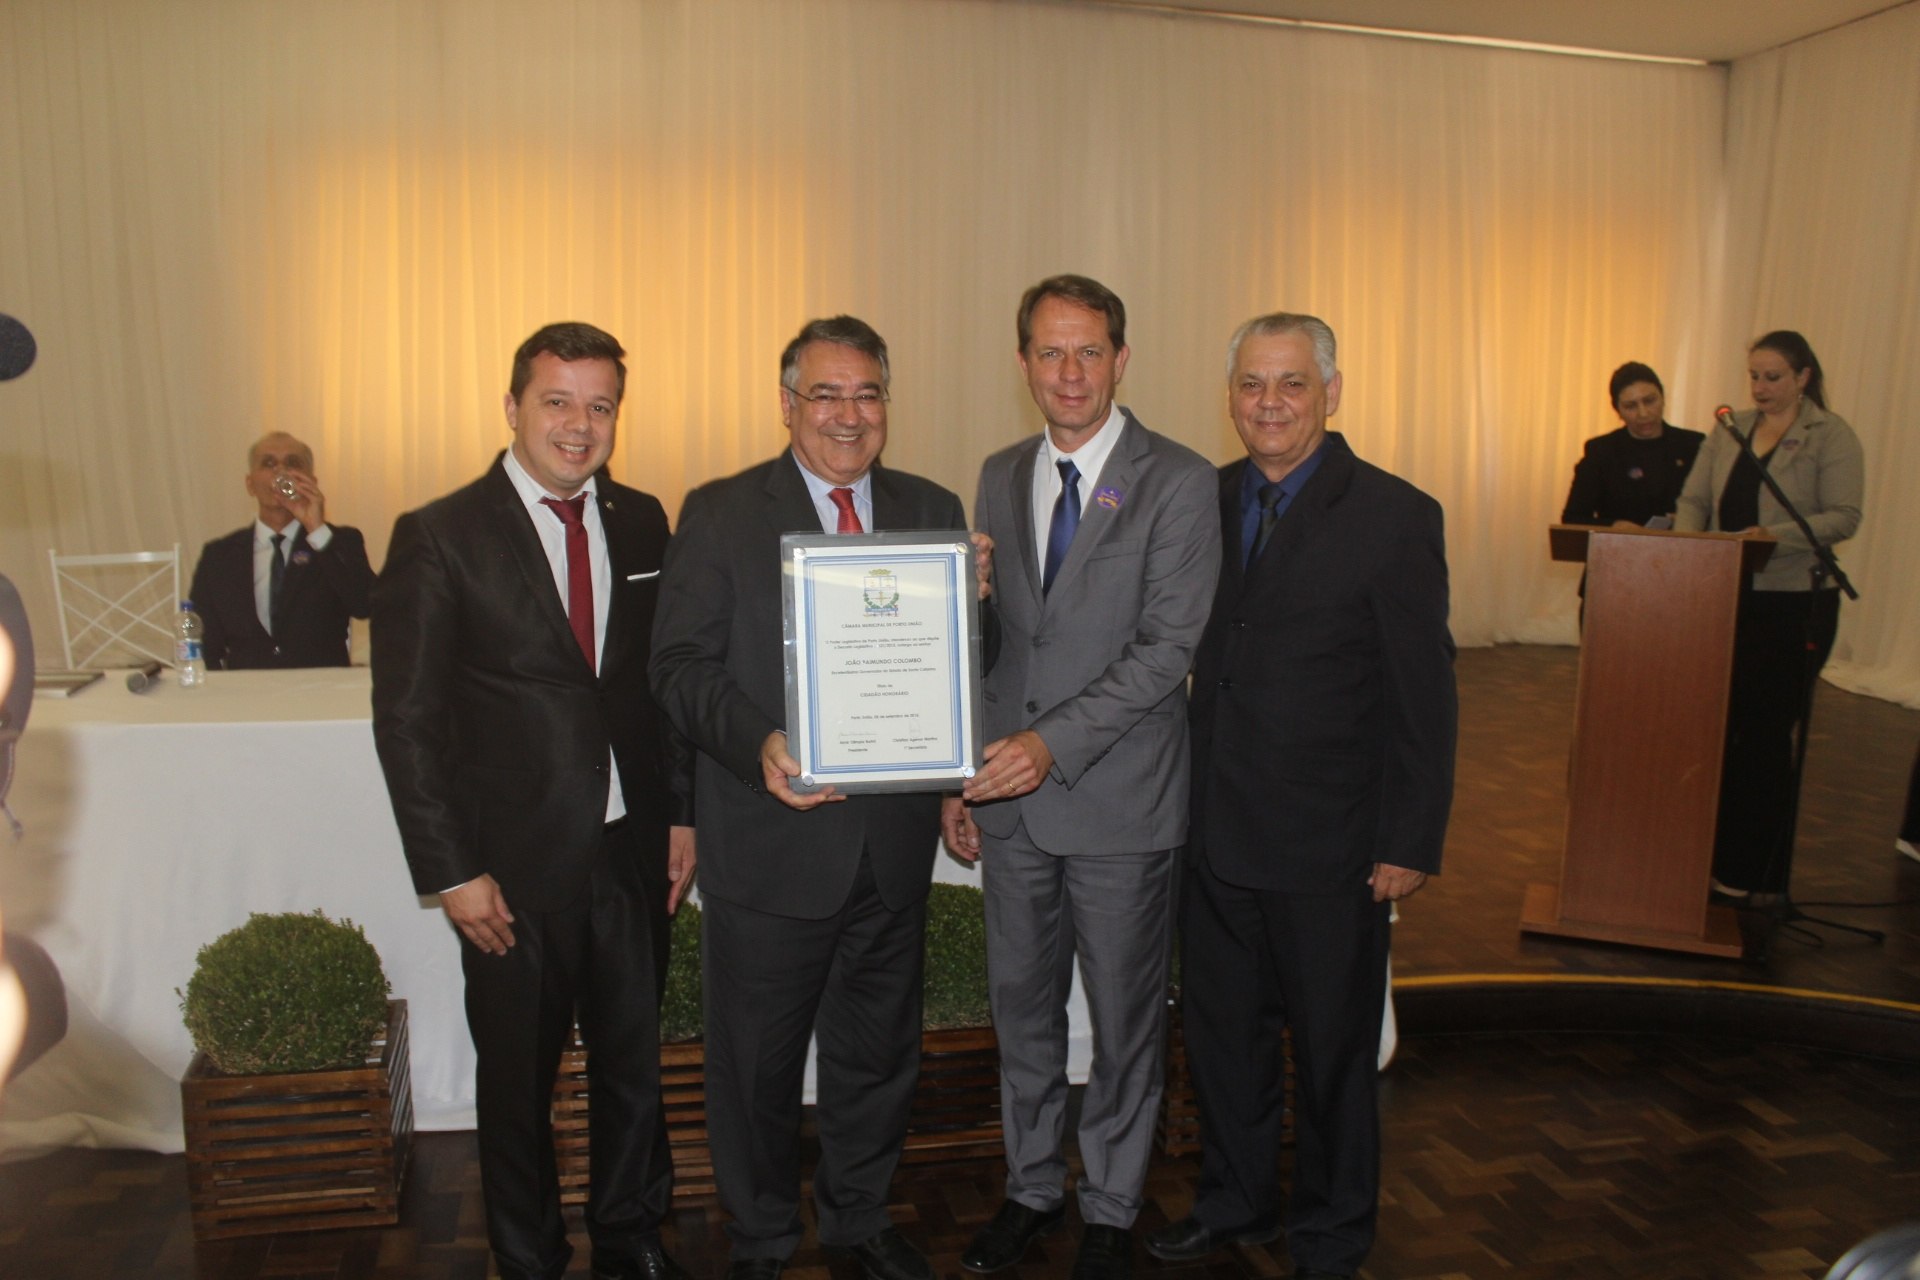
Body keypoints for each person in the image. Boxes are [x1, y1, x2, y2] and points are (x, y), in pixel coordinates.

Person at [650, 316, 986, 1280]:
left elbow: (960, 672)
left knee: (878, 1058)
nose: (848, 415)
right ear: (787, 404)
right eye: (826, 395)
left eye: (867, 394)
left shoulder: (932, 508)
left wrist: (982, 606)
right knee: (753, 1067)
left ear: (887, 403)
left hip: (889, 849)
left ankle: (858, 1218)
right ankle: (759, 1236)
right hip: (769, 847)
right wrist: (758, 740)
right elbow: (675, 666)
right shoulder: (719, 512)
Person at [371, 322, 696, 1280]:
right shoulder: (439, 535)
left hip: (632, 851)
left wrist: (680, 811)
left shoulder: (642, 521)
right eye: (557, 401)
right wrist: (451, 871)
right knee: (519, 1081)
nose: (578, 425)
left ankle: (632, 1239)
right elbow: (409, 724)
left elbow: (655, 686)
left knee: (632, 1068)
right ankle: (528, 1254)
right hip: (507, 868)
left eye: (600, 406)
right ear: (512, 405)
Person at [1146, 313, 1456, 1280]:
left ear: (1331, 391)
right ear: (1229, 393)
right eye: (1250, 385)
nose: (1267, 403)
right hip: (1215, 833)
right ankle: (1237, 1202)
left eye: (1288, 384)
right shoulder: (1203, 497)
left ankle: (1331, 1228)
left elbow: (1424, 693)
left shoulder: (1398, 516)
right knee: (1225, 1041)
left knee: (1330, 1054)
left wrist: (1409, 837)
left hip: (1332, 846)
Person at [943, 275, 1220, 1280]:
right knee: (1021, 1010)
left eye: (1089, 352)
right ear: (1022, 363)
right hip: (1009, 807)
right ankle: (1030, 1186)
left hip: (1120, 804)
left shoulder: (1179, 480)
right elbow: (988, 646)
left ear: (1122, 358)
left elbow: (1163, 651)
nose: (1069, 372)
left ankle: (1109, 1201)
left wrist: (1049, 745)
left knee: (1123, 1018)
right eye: (1049, 353)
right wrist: (954, 770)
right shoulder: (997, 471)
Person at [1673, 330, 1865, 898]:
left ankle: (1750, 870)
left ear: (1804, 377)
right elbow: (1694, 500)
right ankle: (1708, 856)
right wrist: (1687, 547)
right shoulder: (1731, 429)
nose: (1760, 387)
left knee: (1762, 733)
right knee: (1722, 730)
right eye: (1754, 376)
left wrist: (1770, 537)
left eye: (1773, 376)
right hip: (1726, 595)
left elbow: (1844, 516)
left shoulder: (1830, 435)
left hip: (1794, 603)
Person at [188, 432, 376, 668]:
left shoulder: (340, 542)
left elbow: (365, 604)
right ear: (250, 484)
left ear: (311, 481)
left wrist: (316, 530)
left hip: (319, 692)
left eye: (292, 463)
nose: (280, 471)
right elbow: (205, 641)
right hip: (246, 693)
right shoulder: (219, 556)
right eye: (268, 463)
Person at [1560, 362, 1703, 528]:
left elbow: (1714, 511)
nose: (1643, 413)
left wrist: (1690, 520)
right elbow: (1573, 519)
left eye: (1649, 401)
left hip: (1683, 549)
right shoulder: (1602, 451)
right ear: (1617, 410)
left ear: (1663, 398)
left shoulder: (1693, 445)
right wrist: (1614, 526)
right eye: (1630, 406)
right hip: (1618, 549)